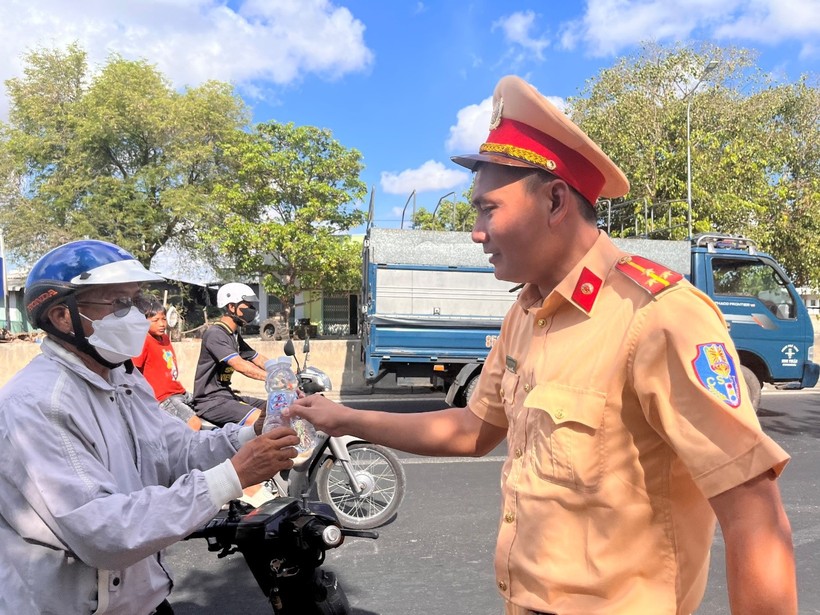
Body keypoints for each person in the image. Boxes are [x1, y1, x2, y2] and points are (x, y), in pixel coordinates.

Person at [286, 75, 797, 615]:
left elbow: (754, 516)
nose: (476, 232)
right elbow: (473, 429)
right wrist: (344, 419)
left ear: (555, 200)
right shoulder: (525, 313)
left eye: (488, 209)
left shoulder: (658, 316)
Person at [0, 239, 298, 614]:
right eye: (119, 304)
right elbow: (103, 533)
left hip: (144, 599)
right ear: (63, 317)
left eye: (137, 302)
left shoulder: (123, 378)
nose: (137, 316)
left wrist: (249, 435)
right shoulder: (40, 404)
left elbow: (176, 448)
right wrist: (233, 476)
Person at [192, 282, 270, 426]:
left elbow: (257, 358)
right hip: (210, 401)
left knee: (275, 408)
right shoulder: (215, 334)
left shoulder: (233, 334)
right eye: (247, 305)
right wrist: (272, 378)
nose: (251, 309)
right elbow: (240, 365)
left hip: (226, 396)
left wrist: (282, 370)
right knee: (263, 421)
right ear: (231, 307)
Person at [133, 300, 202, 430]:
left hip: (178, 391)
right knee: (194, 424)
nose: (162, 324)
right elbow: (132, 372)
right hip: (162, 397)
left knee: (207, 403)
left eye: (164, 319)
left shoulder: (164, 338)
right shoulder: (143, 340)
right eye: (155, 320)